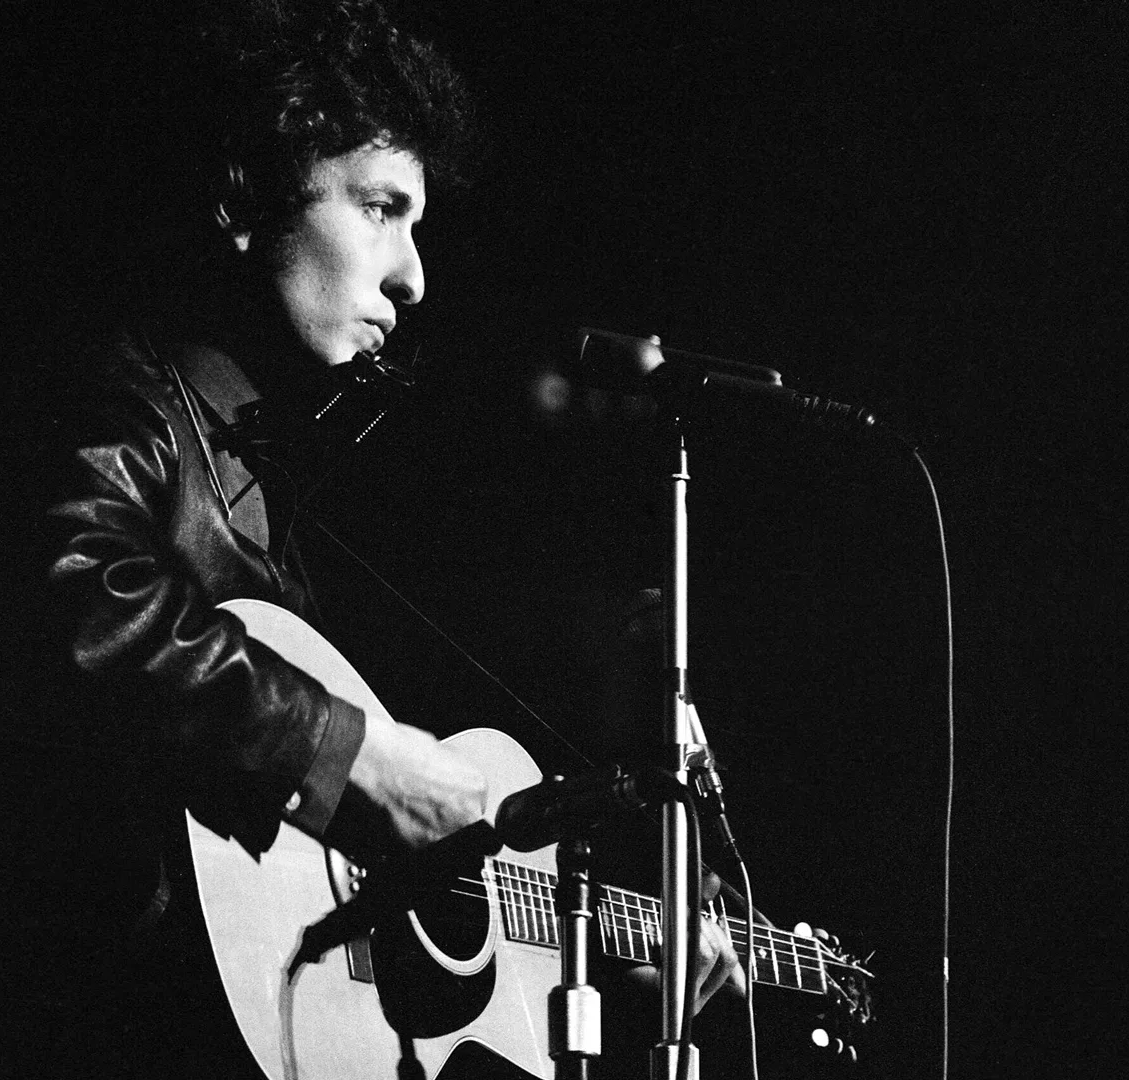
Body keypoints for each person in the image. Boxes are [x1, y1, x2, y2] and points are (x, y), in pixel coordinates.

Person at [43, 2, 742, 1074]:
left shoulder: (266, 483)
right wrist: (360, 764)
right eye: (380, 209)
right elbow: (85, 602)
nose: (413, 277)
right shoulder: (112, 401)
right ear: (245, 198)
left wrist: (603, 936)